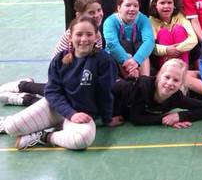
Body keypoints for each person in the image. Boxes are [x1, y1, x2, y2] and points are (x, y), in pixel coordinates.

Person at [0, 16, 117, 150]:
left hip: (83, 116)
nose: (84, 39)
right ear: (70, 37)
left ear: (96, 36)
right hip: (56, 109)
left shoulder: (104, 61)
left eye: (89, 34)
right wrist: (70, 113)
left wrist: (107, 119)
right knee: (11, 128)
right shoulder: (60, 59)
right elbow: (51, 92)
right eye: (79, 34)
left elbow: (105, 94)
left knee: (82, 140)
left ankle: (43, 136)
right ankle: (8, 119)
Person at [0, 0, 104, 107]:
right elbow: (68, 69)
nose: (97, 15)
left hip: (79, 74)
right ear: (79, 15)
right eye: (91, 12)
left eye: (99, 10)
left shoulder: (96, 33)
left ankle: (26, 94)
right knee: (68, 101)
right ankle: (24, 89)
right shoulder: (77, 35)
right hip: (63, 73)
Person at [111, 59, 202, 127]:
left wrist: (179, 116)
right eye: (167, 77)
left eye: (176, 80)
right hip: (110, 97)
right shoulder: (144, 86)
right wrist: (164, 119)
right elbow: (137, 117)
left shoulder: (176, 97)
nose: (170, 83)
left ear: (181, 84)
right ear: (159, 76)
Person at [104, 0, 155, 79]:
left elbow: (149, 41)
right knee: (123, 44)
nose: (132, 9)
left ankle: (145, 81)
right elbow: (112, 44)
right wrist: (127, 61)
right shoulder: (110, 21)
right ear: (119, 7)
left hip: (137, 59)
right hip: (117, 59)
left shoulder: (143, 19)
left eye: (135, 6)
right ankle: (131, 80)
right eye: (128, 5)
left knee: (141, 45)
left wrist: (136, 60)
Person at [148, 0, 198, 69]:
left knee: (179, 30)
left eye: (169, 3)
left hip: (181, 57)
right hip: (163, 59)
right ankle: (167, 69)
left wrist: (175, 50)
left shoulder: (179, 17)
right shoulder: (151, 21)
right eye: (162, 3)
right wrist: (167, 50)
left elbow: (193, 39)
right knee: (163, 32)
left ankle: (182, 69)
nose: (166, 6)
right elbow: (150, 46)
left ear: (174, 5)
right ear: (155, 5)